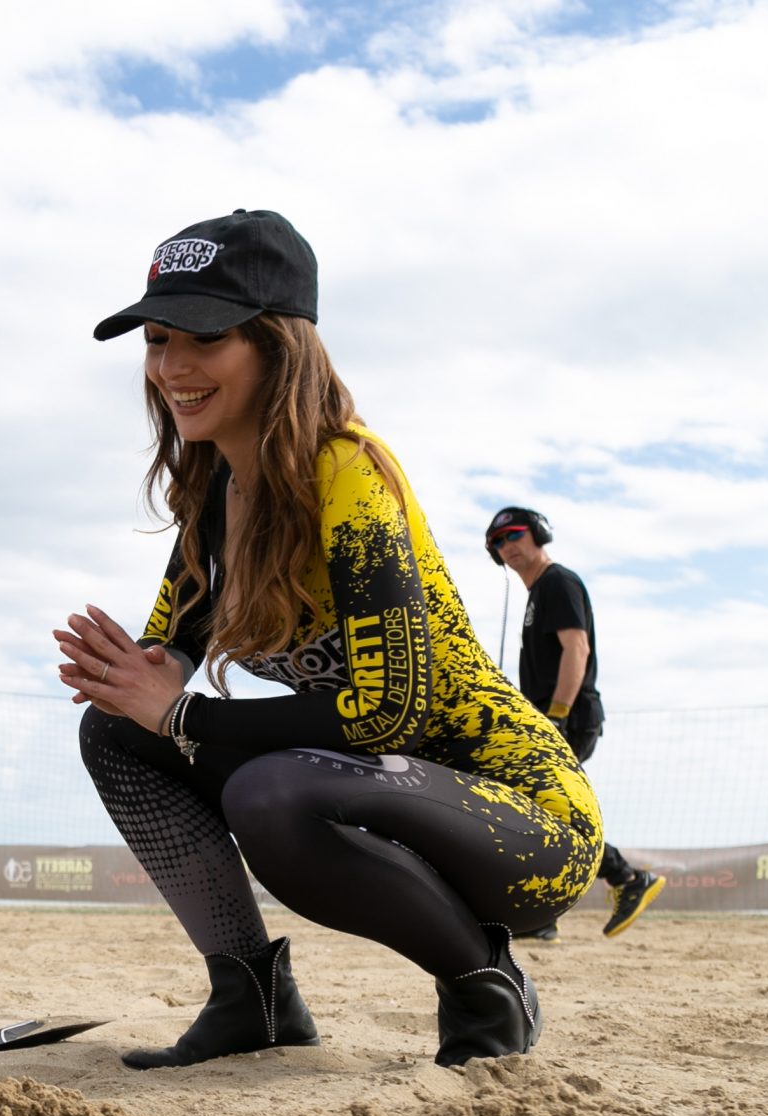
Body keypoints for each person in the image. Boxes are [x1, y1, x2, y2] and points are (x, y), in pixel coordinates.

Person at [58, 209, 604, 1070]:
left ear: (277, 345)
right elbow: (164, 673)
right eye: (158, 338)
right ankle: (251, 994)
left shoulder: (347, 469)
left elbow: (388, 713)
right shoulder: (215, 498)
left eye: (204, 334)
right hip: (378, 796)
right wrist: (135, 677)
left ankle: (485, 985)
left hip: (524, 821)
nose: (172, 366)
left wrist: (186, 716)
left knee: (272, 793)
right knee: (116, 733)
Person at [486, 506, 666, 939]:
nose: (506, 546)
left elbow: (577, 649)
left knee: (549, 810)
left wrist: (557, 716)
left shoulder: (558, 582)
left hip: (567, 715)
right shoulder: (538, 593)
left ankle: (624, 880)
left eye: (513, 535)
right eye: (496, 543)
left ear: (538, 534)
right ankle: (548, 914)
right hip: (550, 716)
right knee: (539, 809)